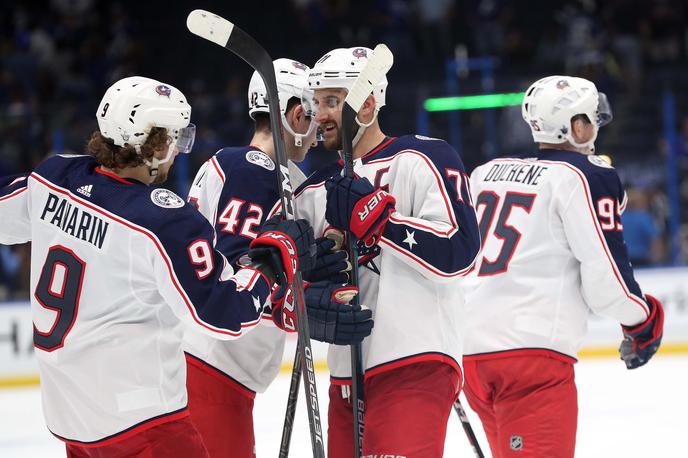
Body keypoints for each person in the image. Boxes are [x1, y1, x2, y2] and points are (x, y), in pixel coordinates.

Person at [0, 76, 317, 457]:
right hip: (144, 424)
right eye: (173, 138)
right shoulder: (161, 219)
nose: (179, 150)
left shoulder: (53, 177)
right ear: (151, 142)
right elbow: (224, 316)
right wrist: (271, 262)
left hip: (71, 423)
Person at [462, 75, 665, 458]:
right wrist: (641, 318)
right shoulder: (585, 176)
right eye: (591, 118)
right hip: (531, 363)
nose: (596, 128)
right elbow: (607, 283)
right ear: (575, 126)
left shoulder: (485, 172)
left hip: (472, 357)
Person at [293, 47, 481, 457]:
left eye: (331, 101)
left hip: (413, 360)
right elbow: (289, 281)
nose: (319, 114)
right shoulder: (310, 190)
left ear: (368, 104)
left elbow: (461, 254)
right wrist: (295, 282)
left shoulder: (423, 157)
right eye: (315, 102)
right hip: (345, 375)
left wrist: (382, 221)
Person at [183, 59, 372, 457]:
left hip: (216, 369)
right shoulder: (256, 168)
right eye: (311, 111)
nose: (319, 123)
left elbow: (274, 259)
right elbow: (241, 267)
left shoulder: (269, 173)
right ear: (293, 113)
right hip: (211, 365)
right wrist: (294, 303)